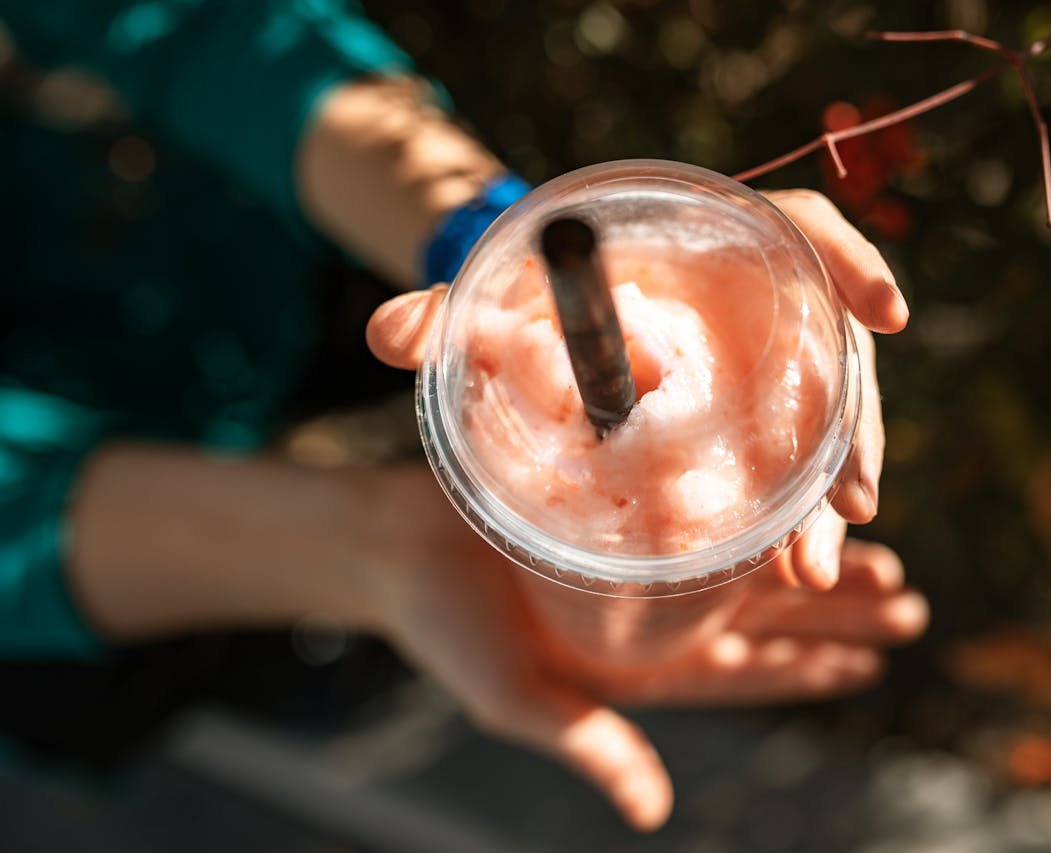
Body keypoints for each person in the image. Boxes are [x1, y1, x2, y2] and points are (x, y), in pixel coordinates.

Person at [0, 1, 928, 832]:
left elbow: (185, 19)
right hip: (84, 577)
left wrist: (478, 237)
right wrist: (368, 547)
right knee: (296, 687)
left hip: (207, 270)